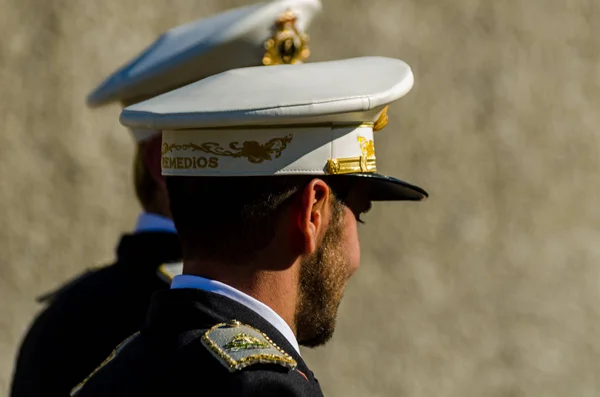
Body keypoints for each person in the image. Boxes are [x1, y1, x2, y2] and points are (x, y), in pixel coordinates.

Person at [9, 1, 322, 396]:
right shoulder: (106, 317)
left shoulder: (76, 312)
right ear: (163, 161)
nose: (285, 172)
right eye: (247, 147)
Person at [70, 56, 428, 397]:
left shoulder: (113, 375)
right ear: (312, 213)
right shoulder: (266, 389)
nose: (356, 257)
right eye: (358, 214)